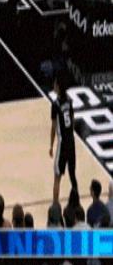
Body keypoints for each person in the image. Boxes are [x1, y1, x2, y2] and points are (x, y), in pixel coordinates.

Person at [49, 71, 78, 204]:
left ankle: (55, 206)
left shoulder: (55, 105)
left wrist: (51, 145)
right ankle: (77, 201)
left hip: (63, 143)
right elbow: (72, 119)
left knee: (57, 177)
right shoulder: (70, 101)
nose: (54, 85)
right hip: (71, 141)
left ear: (59, 86)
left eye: (55, 83)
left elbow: (53, 127)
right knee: (72, 174)